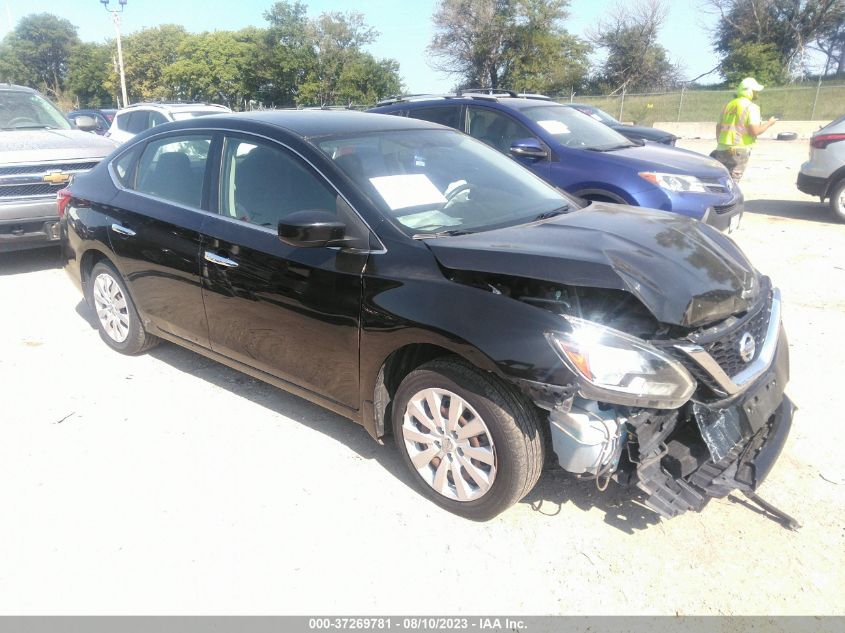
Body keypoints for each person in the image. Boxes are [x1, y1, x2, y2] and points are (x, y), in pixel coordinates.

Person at [710, 77, 778, 181]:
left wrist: (721, 143)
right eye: (755, 91)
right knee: (732, 183)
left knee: (720, 181)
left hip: (721, 148)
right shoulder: (751, 107)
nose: (757, 93)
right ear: (749, 91)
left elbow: (718, 126)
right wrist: (769, 123)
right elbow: (754, 131)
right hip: (739, 150)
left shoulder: (728, 105)